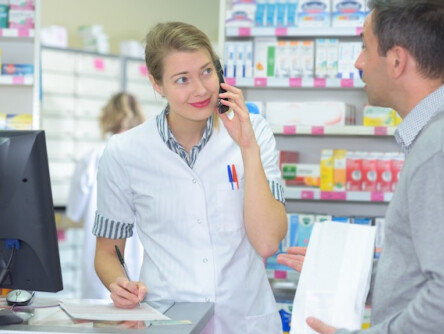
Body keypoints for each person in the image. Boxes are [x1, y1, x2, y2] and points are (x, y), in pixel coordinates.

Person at [92, 21, 287, 333]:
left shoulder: (255, 132)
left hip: (244, 320)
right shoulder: (124, 151)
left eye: (207, 71)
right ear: (157, 84)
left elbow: (266, 243)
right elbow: (106, 252)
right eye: (182, 79)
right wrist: (121, 284)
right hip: (167, 320)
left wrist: (247, 148)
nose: (200, 89)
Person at [278, 0, 444, 333]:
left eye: (364, 46)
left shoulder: (442, 146)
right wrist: (345, 278)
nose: (358, 62)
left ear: (396, 60)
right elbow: (434, 272)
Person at [66, 92, 145, 299]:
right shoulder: (147, 158)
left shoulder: (92, 158)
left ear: (106, 118)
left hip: (102, 268)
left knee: (103, 322)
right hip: (141, 265)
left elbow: (74, 213)